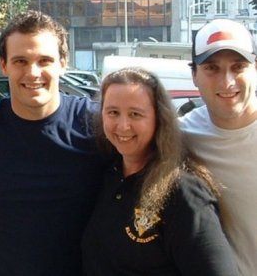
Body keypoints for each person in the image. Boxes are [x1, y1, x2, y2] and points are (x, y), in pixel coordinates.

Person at [0, 10, 106, 276]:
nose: (33, 72)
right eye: (20, 61)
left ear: (63, 62)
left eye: (45, 60)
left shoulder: (98, 126)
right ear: (3, 65)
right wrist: (7, 230)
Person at [81, 67, 238, 275]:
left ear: (159, 118)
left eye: (135, 114)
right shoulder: (106, 175)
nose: (123, 125)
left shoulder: (183, 193)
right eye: (113, 113)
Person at [179, 18, 257, 276]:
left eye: (238, 67)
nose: (227, 82)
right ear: (194, 75)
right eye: (212, 68)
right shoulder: (181, 135)